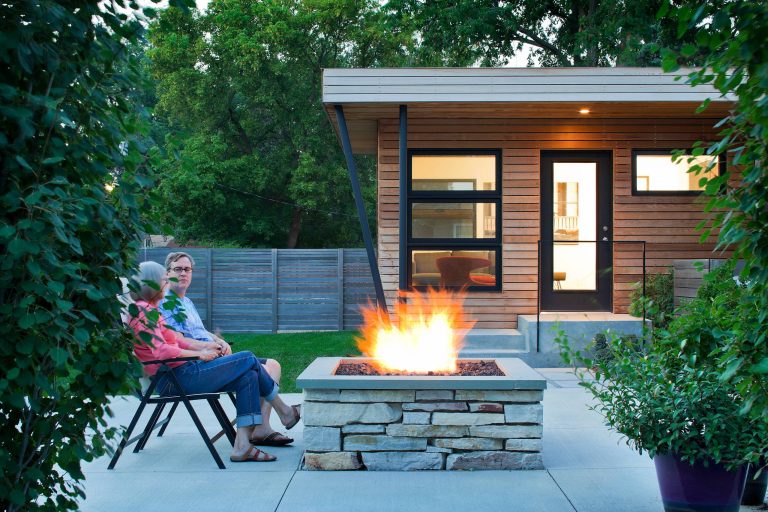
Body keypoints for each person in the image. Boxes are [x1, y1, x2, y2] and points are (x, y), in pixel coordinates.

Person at [128, 261, 301, 462]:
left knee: (249, 375)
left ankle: (242, 446)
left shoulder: (148, 309)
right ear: (152, 283)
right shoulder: (143, 311)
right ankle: (284, 410)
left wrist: (204, 347)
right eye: (164, 280)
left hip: (182, 372)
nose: (167, 284)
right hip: (175, 379)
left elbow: (175, 340)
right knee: (247, 358)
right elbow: (161, 351)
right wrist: (199, 355)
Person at [159, 251, 293, 447]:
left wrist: (220, 341)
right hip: (194, 365)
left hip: (209, 357)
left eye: (187, 269)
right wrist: (208, 346)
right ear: (167, 272)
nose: (183, 273)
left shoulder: (186, 302)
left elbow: (201, 331)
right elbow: (179, 340)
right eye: (177, 269)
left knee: (272, 365)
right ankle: (282, 412)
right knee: (250, 363)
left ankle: (262, 429)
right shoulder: (166, 303)